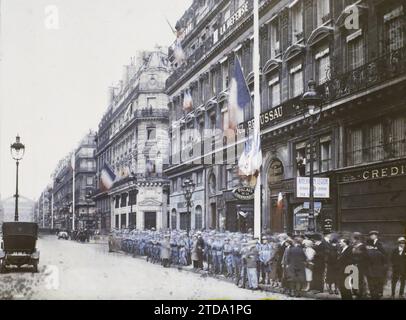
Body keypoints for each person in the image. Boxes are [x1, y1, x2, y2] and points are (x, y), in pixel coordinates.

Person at [351, 232, 368, 299]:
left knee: (360, 279)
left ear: (357, 239)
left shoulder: (362, 246)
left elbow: (364, 256)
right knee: (353, 278)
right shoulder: (353, 246)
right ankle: (355, 291)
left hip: (360, 265)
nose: (352, 241)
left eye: (353, 239)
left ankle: (360, 293)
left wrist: (356, 259)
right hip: (353, 265)